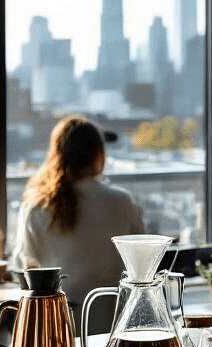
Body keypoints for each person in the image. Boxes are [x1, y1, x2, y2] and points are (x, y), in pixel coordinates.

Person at [12, 115, 144, 334]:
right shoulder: (122, 201)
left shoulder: (38, 206)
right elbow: (142, 262)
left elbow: (24, 268)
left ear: (56, 154)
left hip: (60, 325)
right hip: (118, 324)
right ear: (98, 154)